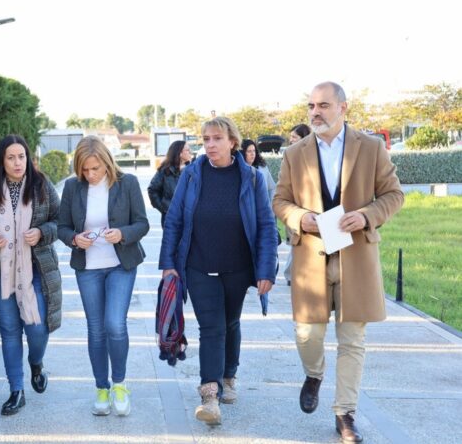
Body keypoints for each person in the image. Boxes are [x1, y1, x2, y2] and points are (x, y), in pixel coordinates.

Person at [273, 82, 404, 443]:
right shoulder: (294, 153)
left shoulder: (371, 147)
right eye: (311, 106)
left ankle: (345, 413)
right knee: (307, 334)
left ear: (343, 108)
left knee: (352, 341)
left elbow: (394, 194)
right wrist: (300, 217)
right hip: (310, 258)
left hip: (356, 258)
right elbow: (280, 200)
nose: (315, 112)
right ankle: (314, 373)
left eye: (323, 105)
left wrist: (366, 216)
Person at [159, 117, 277, 426]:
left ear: (232, 142)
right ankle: (210, 394)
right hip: (198, 265)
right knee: (211, 327)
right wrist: (169, 264)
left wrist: (266, 269)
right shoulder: (191, 175)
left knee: (231, 322)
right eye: (205, 139)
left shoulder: (252, 178)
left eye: (217, 138)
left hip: (238, 267)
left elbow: (266, 225)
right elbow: (174, 220)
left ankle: (228, 375)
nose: (210, 144)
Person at [0, 134, 62, 416]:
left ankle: (36, 363)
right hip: (1, 272)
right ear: (2, 161)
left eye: (21, 156)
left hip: (37, 269)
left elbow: (61, 221)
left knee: (37, 328)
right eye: (11, 157)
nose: (17, 162)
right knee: (9, 331)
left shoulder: (41, 185)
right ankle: (16, 391)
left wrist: (42, 232)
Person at [58, 136, 149, 417]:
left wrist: (122, 233)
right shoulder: (72, 187)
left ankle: (119, 384)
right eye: (85, 169)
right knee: (96, 329)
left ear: (107, 163)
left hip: (121, 265)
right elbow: (62, 227)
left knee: (115, 324)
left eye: (95, 168)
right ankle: (101, 388)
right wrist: (75, 239)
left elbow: (142, 224)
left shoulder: (128, 183)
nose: (90, 174)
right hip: (88, 268)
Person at [283, 123, 311, 286]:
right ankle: (291, 275)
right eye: (291, 137)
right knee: (296, 241)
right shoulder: (290, 155)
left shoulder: (311, 156)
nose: (291, 140)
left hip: (309, 205)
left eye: (295, 137)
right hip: (294, 207)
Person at [147, 140, 192, 225]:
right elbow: (152, 190)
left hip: (190, 217)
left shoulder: (193, 169)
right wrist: (164, 208)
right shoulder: (165, 171)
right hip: (171, 218)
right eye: (187, 150)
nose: (190, 152)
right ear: (179, 153)